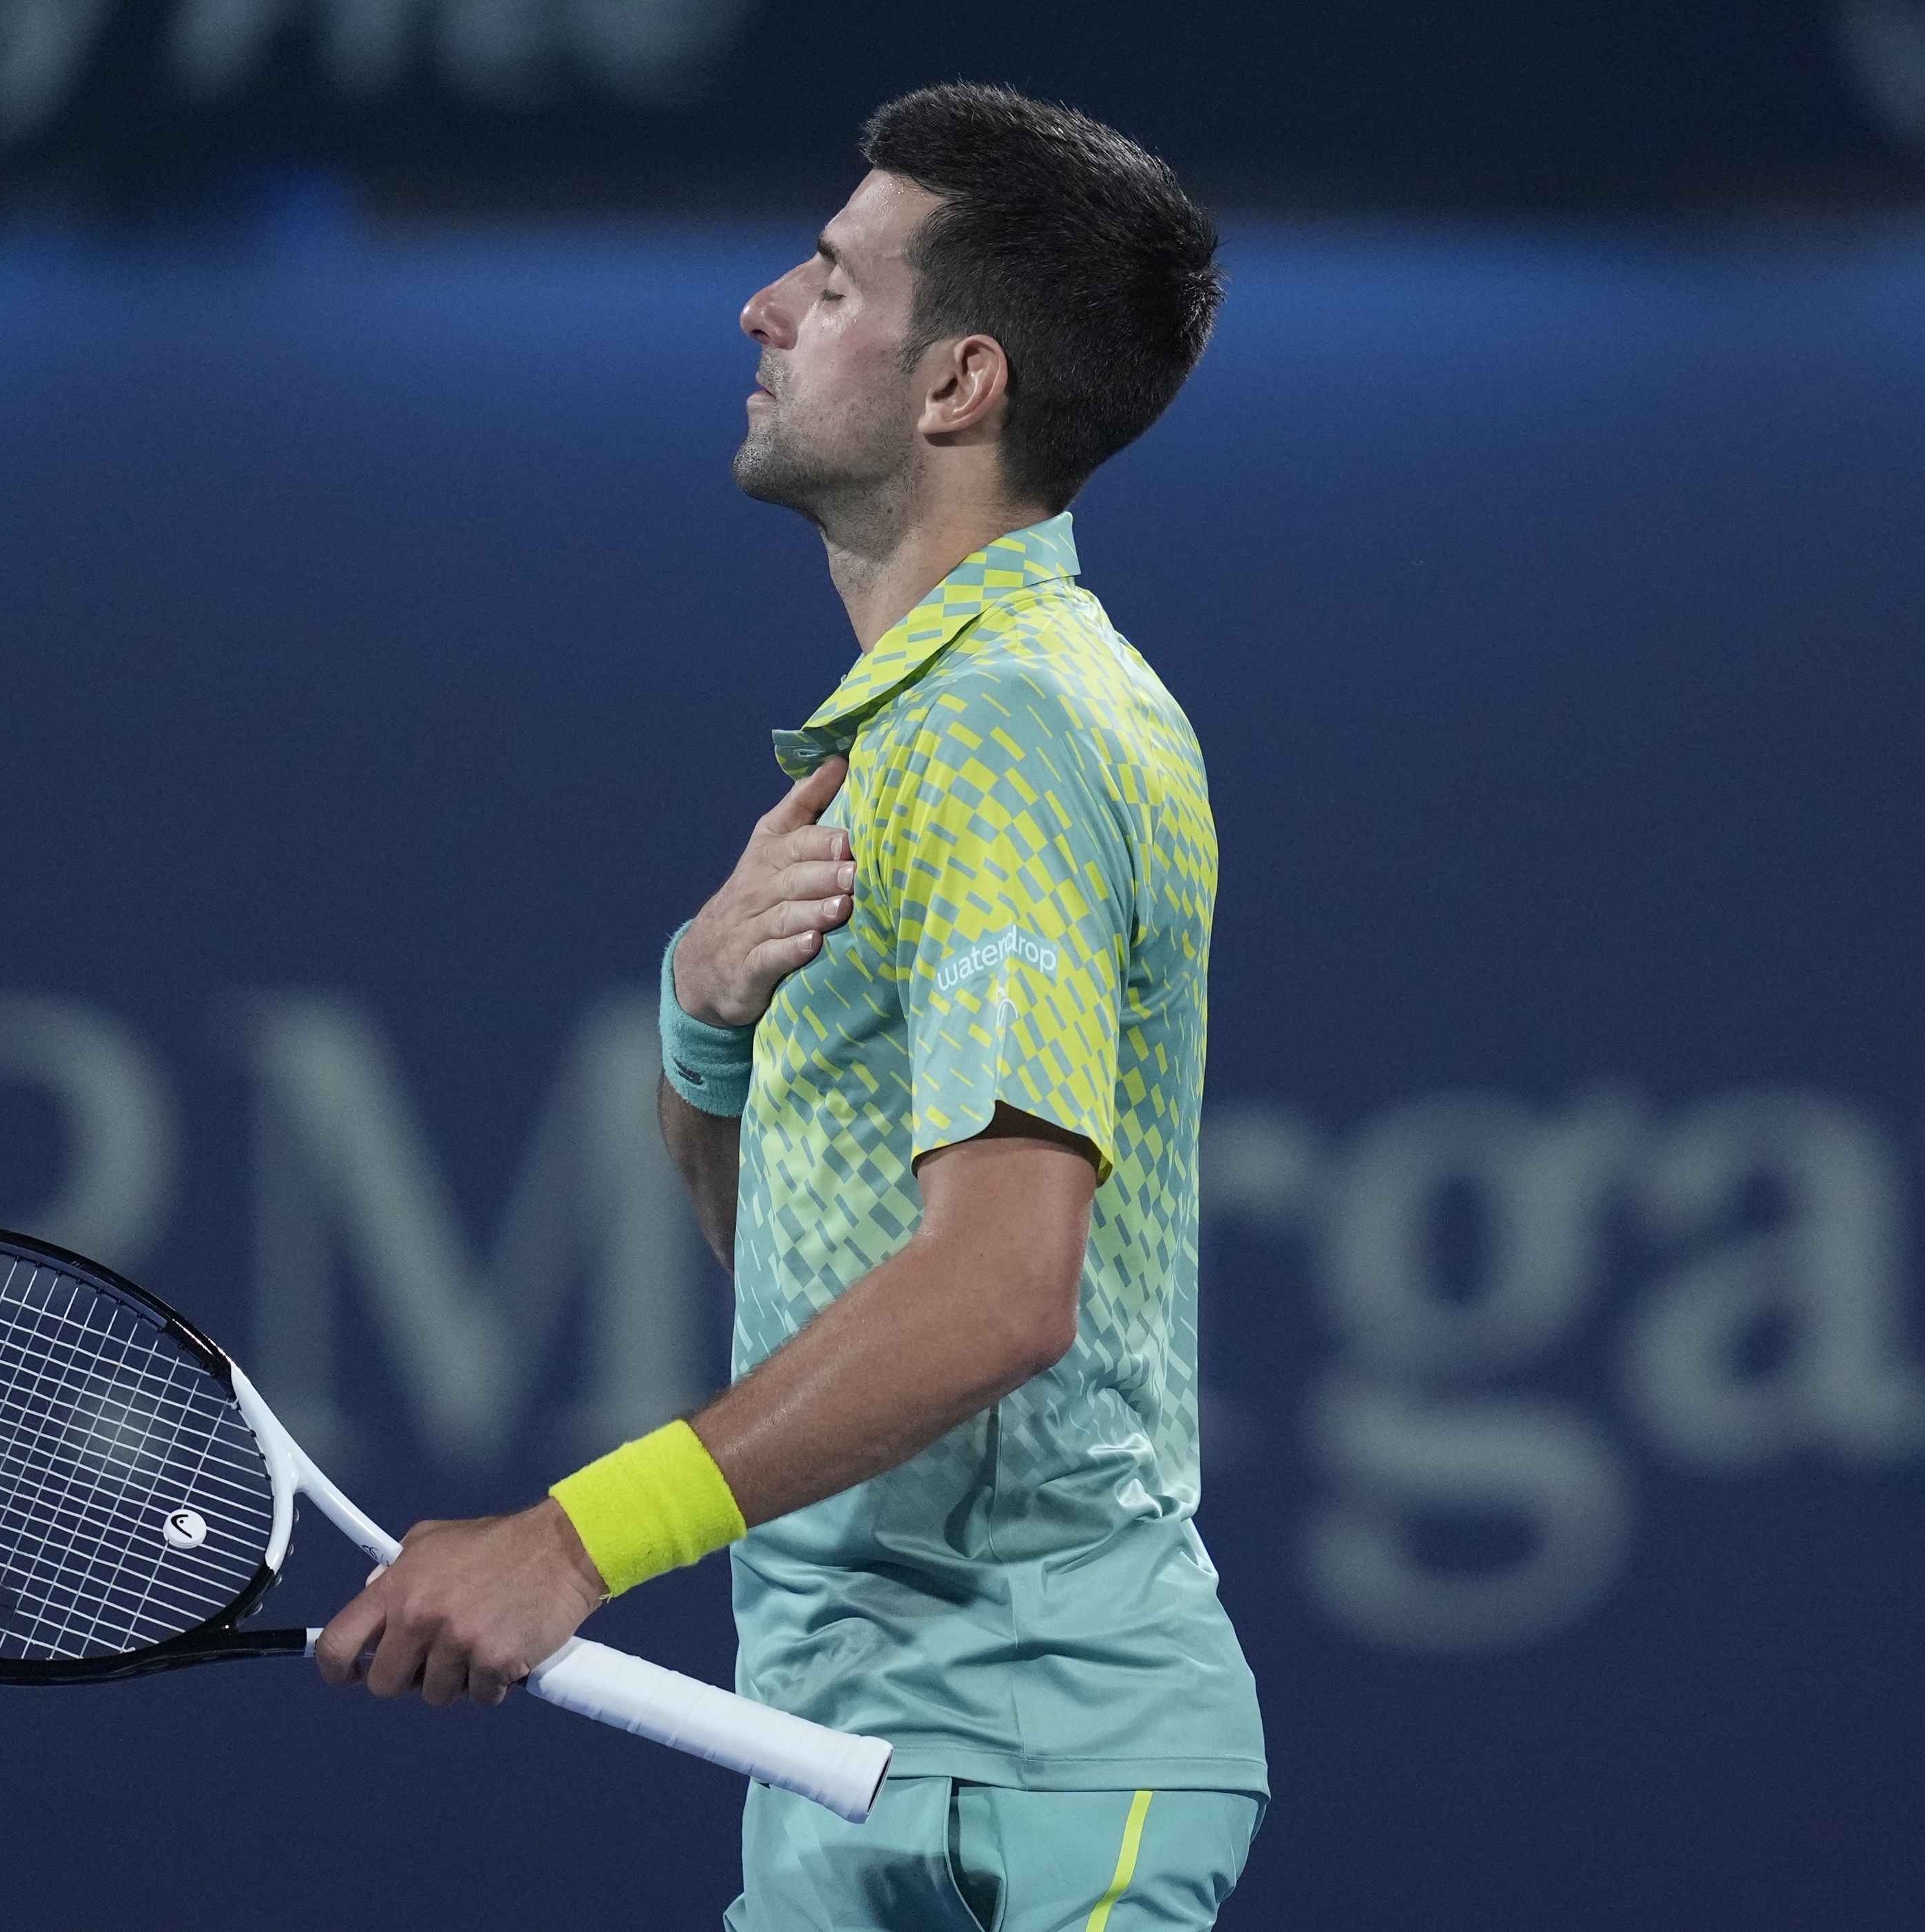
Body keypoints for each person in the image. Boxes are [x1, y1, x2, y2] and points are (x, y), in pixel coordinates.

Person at [315, 82, 1267, 1930]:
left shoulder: (1009, 728)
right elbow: (822, 1289)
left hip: (1038, 1770)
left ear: (955, 387)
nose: (762, 308)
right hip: (836, 1757)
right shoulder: (911, 739)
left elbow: (1000, 1288)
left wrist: (574, 1539)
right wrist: (701, 1018)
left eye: (830, 283)